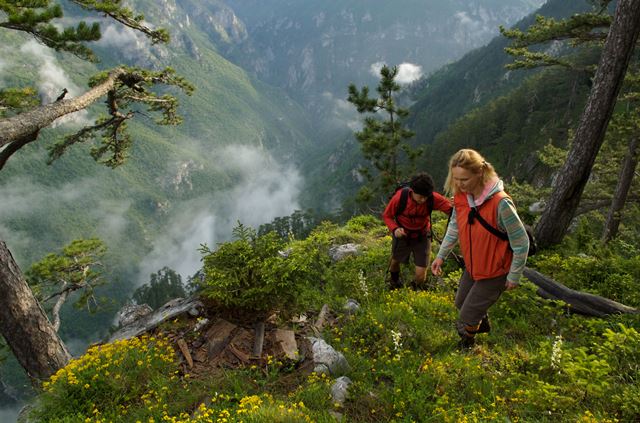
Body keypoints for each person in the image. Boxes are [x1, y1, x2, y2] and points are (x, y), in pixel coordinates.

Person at [431, 149, 529, 349]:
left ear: (479, 174)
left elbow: (521, 242)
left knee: (466, 315)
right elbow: (454, 227)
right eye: (455, 178)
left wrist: (514, 275)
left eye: (464, 179)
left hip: (496, 271)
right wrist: (441, 256)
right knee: (461, 302)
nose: (459, 184)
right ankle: (479, 322)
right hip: (473, 266)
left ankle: (468, 343)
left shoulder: (501, 204)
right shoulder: (461, 198)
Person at [382, 172, 452, 290]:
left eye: (426, 197)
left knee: (420, 275)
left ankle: (412, 290)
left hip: (422, 236)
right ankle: (394, 282)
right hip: (402, 235)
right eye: (420, 196)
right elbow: (387, 216)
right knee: (394, 264)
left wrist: (458, 204)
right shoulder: (400, 197)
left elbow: (451, 210)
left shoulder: (432, 198)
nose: (423, 200)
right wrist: (395, 229)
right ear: (412, 191)